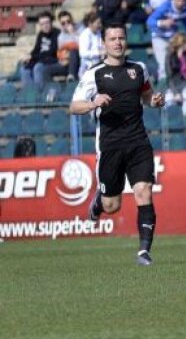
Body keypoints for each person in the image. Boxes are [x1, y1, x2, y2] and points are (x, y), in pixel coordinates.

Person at [69, 23, 166, 266]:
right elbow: (74, 106)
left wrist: (154, 100)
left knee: (143, 191)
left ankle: (144, 251)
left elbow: (146, 95)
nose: (118, 43)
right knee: (112, 205)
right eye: (112, 39)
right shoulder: (95, 74)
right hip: (110, 145)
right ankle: (99, 202)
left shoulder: (139, 68)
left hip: (138, 142)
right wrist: (94, 102)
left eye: (121, 38)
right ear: (104, 43)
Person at [148, 0, 186, 82]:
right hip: (159, 36)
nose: (180, 3)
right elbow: (150, 21)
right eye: (178, 0)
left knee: (176, 62)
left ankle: (177, 83)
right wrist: (162, 22)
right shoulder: (165, 7)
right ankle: (164, 86)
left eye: (183, 0)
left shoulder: (185, 8)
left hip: (172, 38)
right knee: (163, 64)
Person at [21, 12, 63, 91]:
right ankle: (30, 93)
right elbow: (36, 50)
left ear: (51, 22)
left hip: (52, 60)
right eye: (42, 24)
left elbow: (52, 51)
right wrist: (28, 56)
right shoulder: (41, 34)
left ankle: (39, 93)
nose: (45, 26)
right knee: (24, 69)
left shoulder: (57, 33)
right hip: (40, 59)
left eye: (47, 22)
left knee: (38, 67)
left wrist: (33, 57)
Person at [163, 32, 186, 116]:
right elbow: (170, 77)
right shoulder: (169, 56)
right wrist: (176, 93)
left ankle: (184, 119)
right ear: (181, 43)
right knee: (169, 98)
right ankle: (170, 122)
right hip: (175, 85)